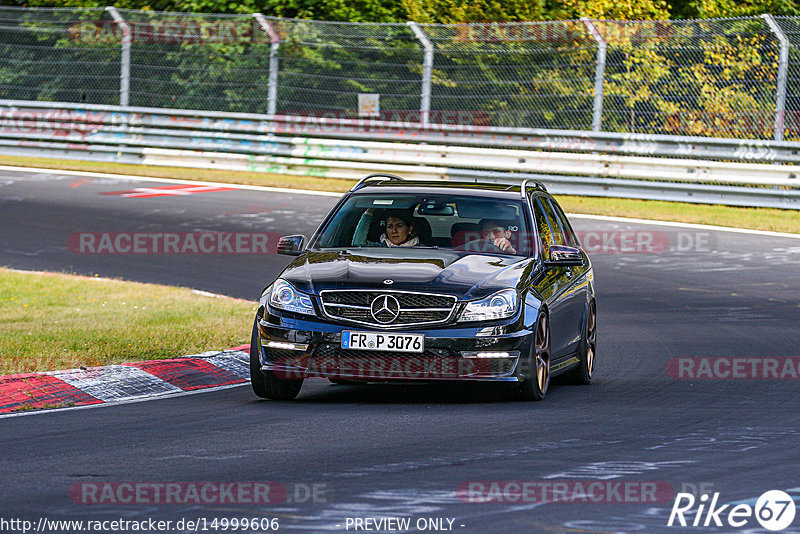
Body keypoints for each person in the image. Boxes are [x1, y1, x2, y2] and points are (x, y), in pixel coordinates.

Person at [352, 209, 420, 247]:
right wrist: (369, 213)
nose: (394, 231)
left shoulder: (422, 249)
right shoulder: (379, 248)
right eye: (390, 227)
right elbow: (358, 243)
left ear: (410, 229)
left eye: (399, 226)